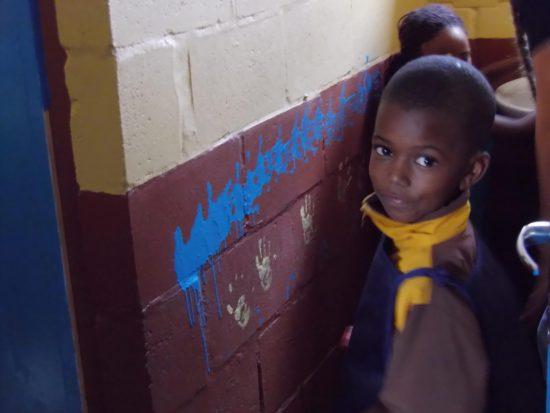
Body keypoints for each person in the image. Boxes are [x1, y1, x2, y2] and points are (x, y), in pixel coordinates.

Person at [339, 56, 545, 413]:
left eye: (425, 161)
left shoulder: (432, 292)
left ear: (472, 171)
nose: (396, 176)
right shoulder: (430, 230)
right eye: (384, 151)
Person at [385, 4, 535, 140]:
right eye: (445, 60)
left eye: (464, 56)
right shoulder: (435, 106)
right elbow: (518, 127)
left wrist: (530, 59)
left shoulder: (443, 85)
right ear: (415, 63)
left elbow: (482, 76)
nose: (459, 66)